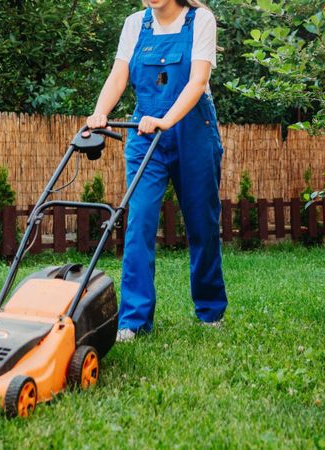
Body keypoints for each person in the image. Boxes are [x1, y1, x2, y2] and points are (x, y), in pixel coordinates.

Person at [86, 0, 227, 342]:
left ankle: (210, 312)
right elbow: (119, 75)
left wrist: (167, 120)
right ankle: (133, 321)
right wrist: (98, 114)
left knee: (202, 224)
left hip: (192, 130)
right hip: (145, 132)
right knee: (139, 222)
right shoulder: (136, 23)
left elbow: (198, 81)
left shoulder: (201, 20)